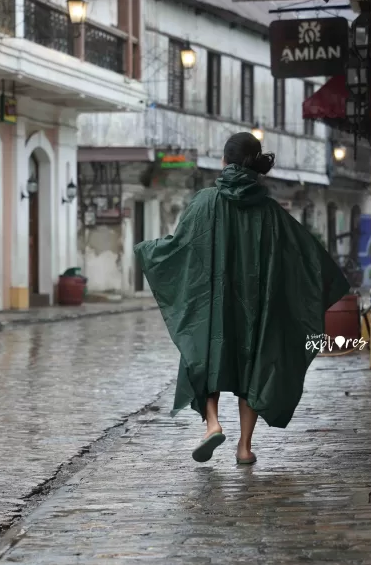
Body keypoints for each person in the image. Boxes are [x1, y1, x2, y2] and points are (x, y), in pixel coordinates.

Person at [134, 132, 350, 464]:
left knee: (203, 357)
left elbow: (180, 247)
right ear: (255, 164)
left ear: (224, 161)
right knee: (253, 369)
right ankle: (244, 448)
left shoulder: (205, 202)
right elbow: (303, 254)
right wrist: (327, 283)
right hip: (256, 312)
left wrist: (148, 251)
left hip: (214, 308)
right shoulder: (270, 211)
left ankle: (213, 425)